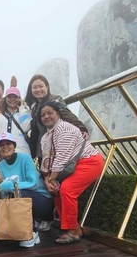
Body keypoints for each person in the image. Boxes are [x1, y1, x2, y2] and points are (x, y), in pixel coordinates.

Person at [39, 102, 104, 244]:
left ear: (58, 113)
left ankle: (73, 230)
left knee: (67, 189)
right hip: (70, 167)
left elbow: (62, 156)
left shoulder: (65, 128)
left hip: (89, 161)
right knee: (55, 190)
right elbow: (46, 162)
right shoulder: (46, 137)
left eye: (50, 112)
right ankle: (69, 227)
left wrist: (52, 179)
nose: (46, 116)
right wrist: (48, 180)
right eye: (42, 115)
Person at [0, 132, 54, 248]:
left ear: (14, 145)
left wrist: (9, 185)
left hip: (41, 198)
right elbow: (1, 189)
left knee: (18, 193)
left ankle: (32, 232)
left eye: (8, 143)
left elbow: (33, 183)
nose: (5, 147)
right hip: (18, 200)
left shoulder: (25, 158)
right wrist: (3, 186)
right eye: (1, 145)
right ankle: (21, 229)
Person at [25, 74, 87, 161]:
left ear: (47, 87)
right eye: (35, 87)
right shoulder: (34, 106)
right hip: (43, 149)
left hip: (57, 146)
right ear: (31, 90)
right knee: (45, 172)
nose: (38, 89)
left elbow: (67, 114)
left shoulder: (54, 100)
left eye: (41, 86)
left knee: (57, 172)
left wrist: (81, 127)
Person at [0, 87, 31, 158]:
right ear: (5, 98)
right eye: (9, 97)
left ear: (19, 98)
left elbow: (26, 128)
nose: (12, 99)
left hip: (22, 153)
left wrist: (22, 108)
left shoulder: (25, 112)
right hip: (3, 155)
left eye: (15, 97)